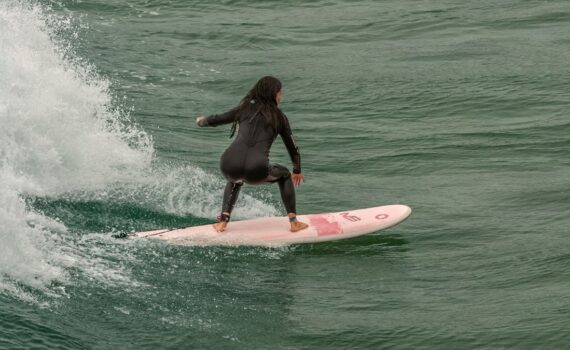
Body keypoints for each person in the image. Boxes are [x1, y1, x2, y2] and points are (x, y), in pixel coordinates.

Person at [196, 76, 309, 233]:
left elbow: (218, 119)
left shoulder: (244, 108)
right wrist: (297, 170)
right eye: (279, 93)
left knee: (235, 180)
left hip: (228, 164)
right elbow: (293, 147)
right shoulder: (280, 117)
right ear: (273, 94)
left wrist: (202, 121)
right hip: (256, 170)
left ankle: (223, 221)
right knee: (284, 175)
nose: (280, 97)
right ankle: (294, 222)